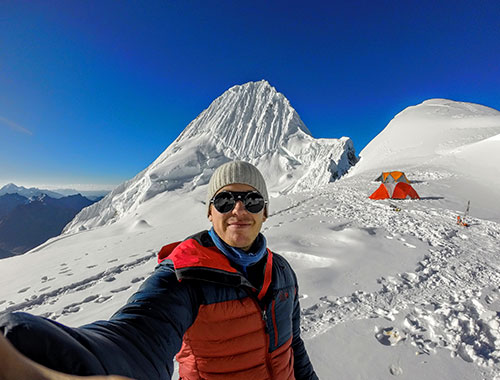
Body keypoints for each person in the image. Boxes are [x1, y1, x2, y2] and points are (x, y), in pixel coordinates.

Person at [0, 161, 318, 380]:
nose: (238, 210)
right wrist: (39, 348)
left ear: (265, 211)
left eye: (251, 199)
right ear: (210, 212)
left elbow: (294, 346)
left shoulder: (283, 272)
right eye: (224, 201)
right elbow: (139, 336)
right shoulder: (184, 275)